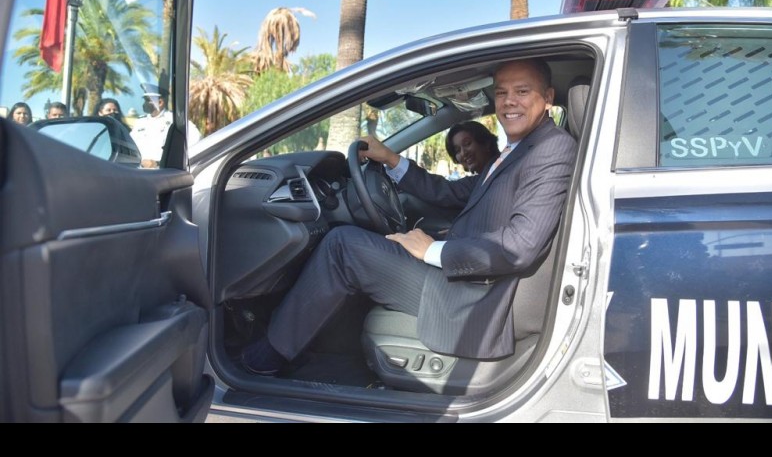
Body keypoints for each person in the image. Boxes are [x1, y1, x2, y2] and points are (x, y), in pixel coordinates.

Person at [240, 59, 578, 376]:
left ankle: (268, 357)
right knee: (359, 243)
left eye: (522, 91)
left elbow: (520, 245)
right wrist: (391, 158)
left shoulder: (551, 148)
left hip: (474, 297)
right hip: (463, 278)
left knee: (341, 246)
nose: (508, 102)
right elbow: (448, 193)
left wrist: (432, 250)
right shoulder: (513, 153)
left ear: (548, 97)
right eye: (502, 92)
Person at [130, 82, 201, 168]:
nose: (144, 103)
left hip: (162, 171)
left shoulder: (174, 120)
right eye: (144, 100)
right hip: (137, 170)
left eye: (148, 100)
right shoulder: (140, 122)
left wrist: (158, 163)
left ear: (160, 102)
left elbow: (195, 141)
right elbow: (130, 144)